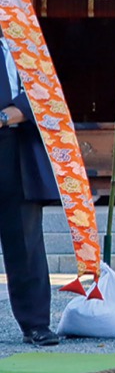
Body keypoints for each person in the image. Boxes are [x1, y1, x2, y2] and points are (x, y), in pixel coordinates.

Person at [0, 28, 58, 347]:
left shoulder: (25, 44)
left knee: (26, 239)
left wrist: (7, 116)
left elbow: (43, 90)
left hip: (17, 147)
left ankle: (35, 323)